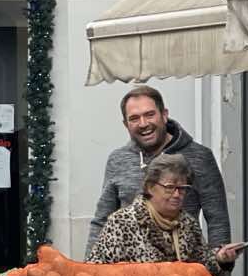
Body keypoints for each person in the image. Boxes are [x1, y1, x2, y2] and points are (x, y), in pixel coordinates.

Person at [89, 84, 229, 252]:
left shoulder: (199, 157)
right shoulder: (117, 160)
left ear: (164, 115)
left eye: (149, 115)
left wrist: (220, 271)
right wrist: (89, 271)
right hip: (128, 271)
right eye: (134, 118)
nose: (143, 123)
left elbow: (217, 220)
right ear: (126, 124)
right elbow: (101, 220)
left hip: (182, 267)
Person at [86, 153, 240, 276]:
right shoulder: (121, 222)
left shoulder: (188, 224)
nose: (177, 194)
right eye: (169, 187)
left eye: (182, 188)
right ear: (150, 187)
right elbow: (96, 273)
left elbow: (202, 268)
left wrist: (220, 258)